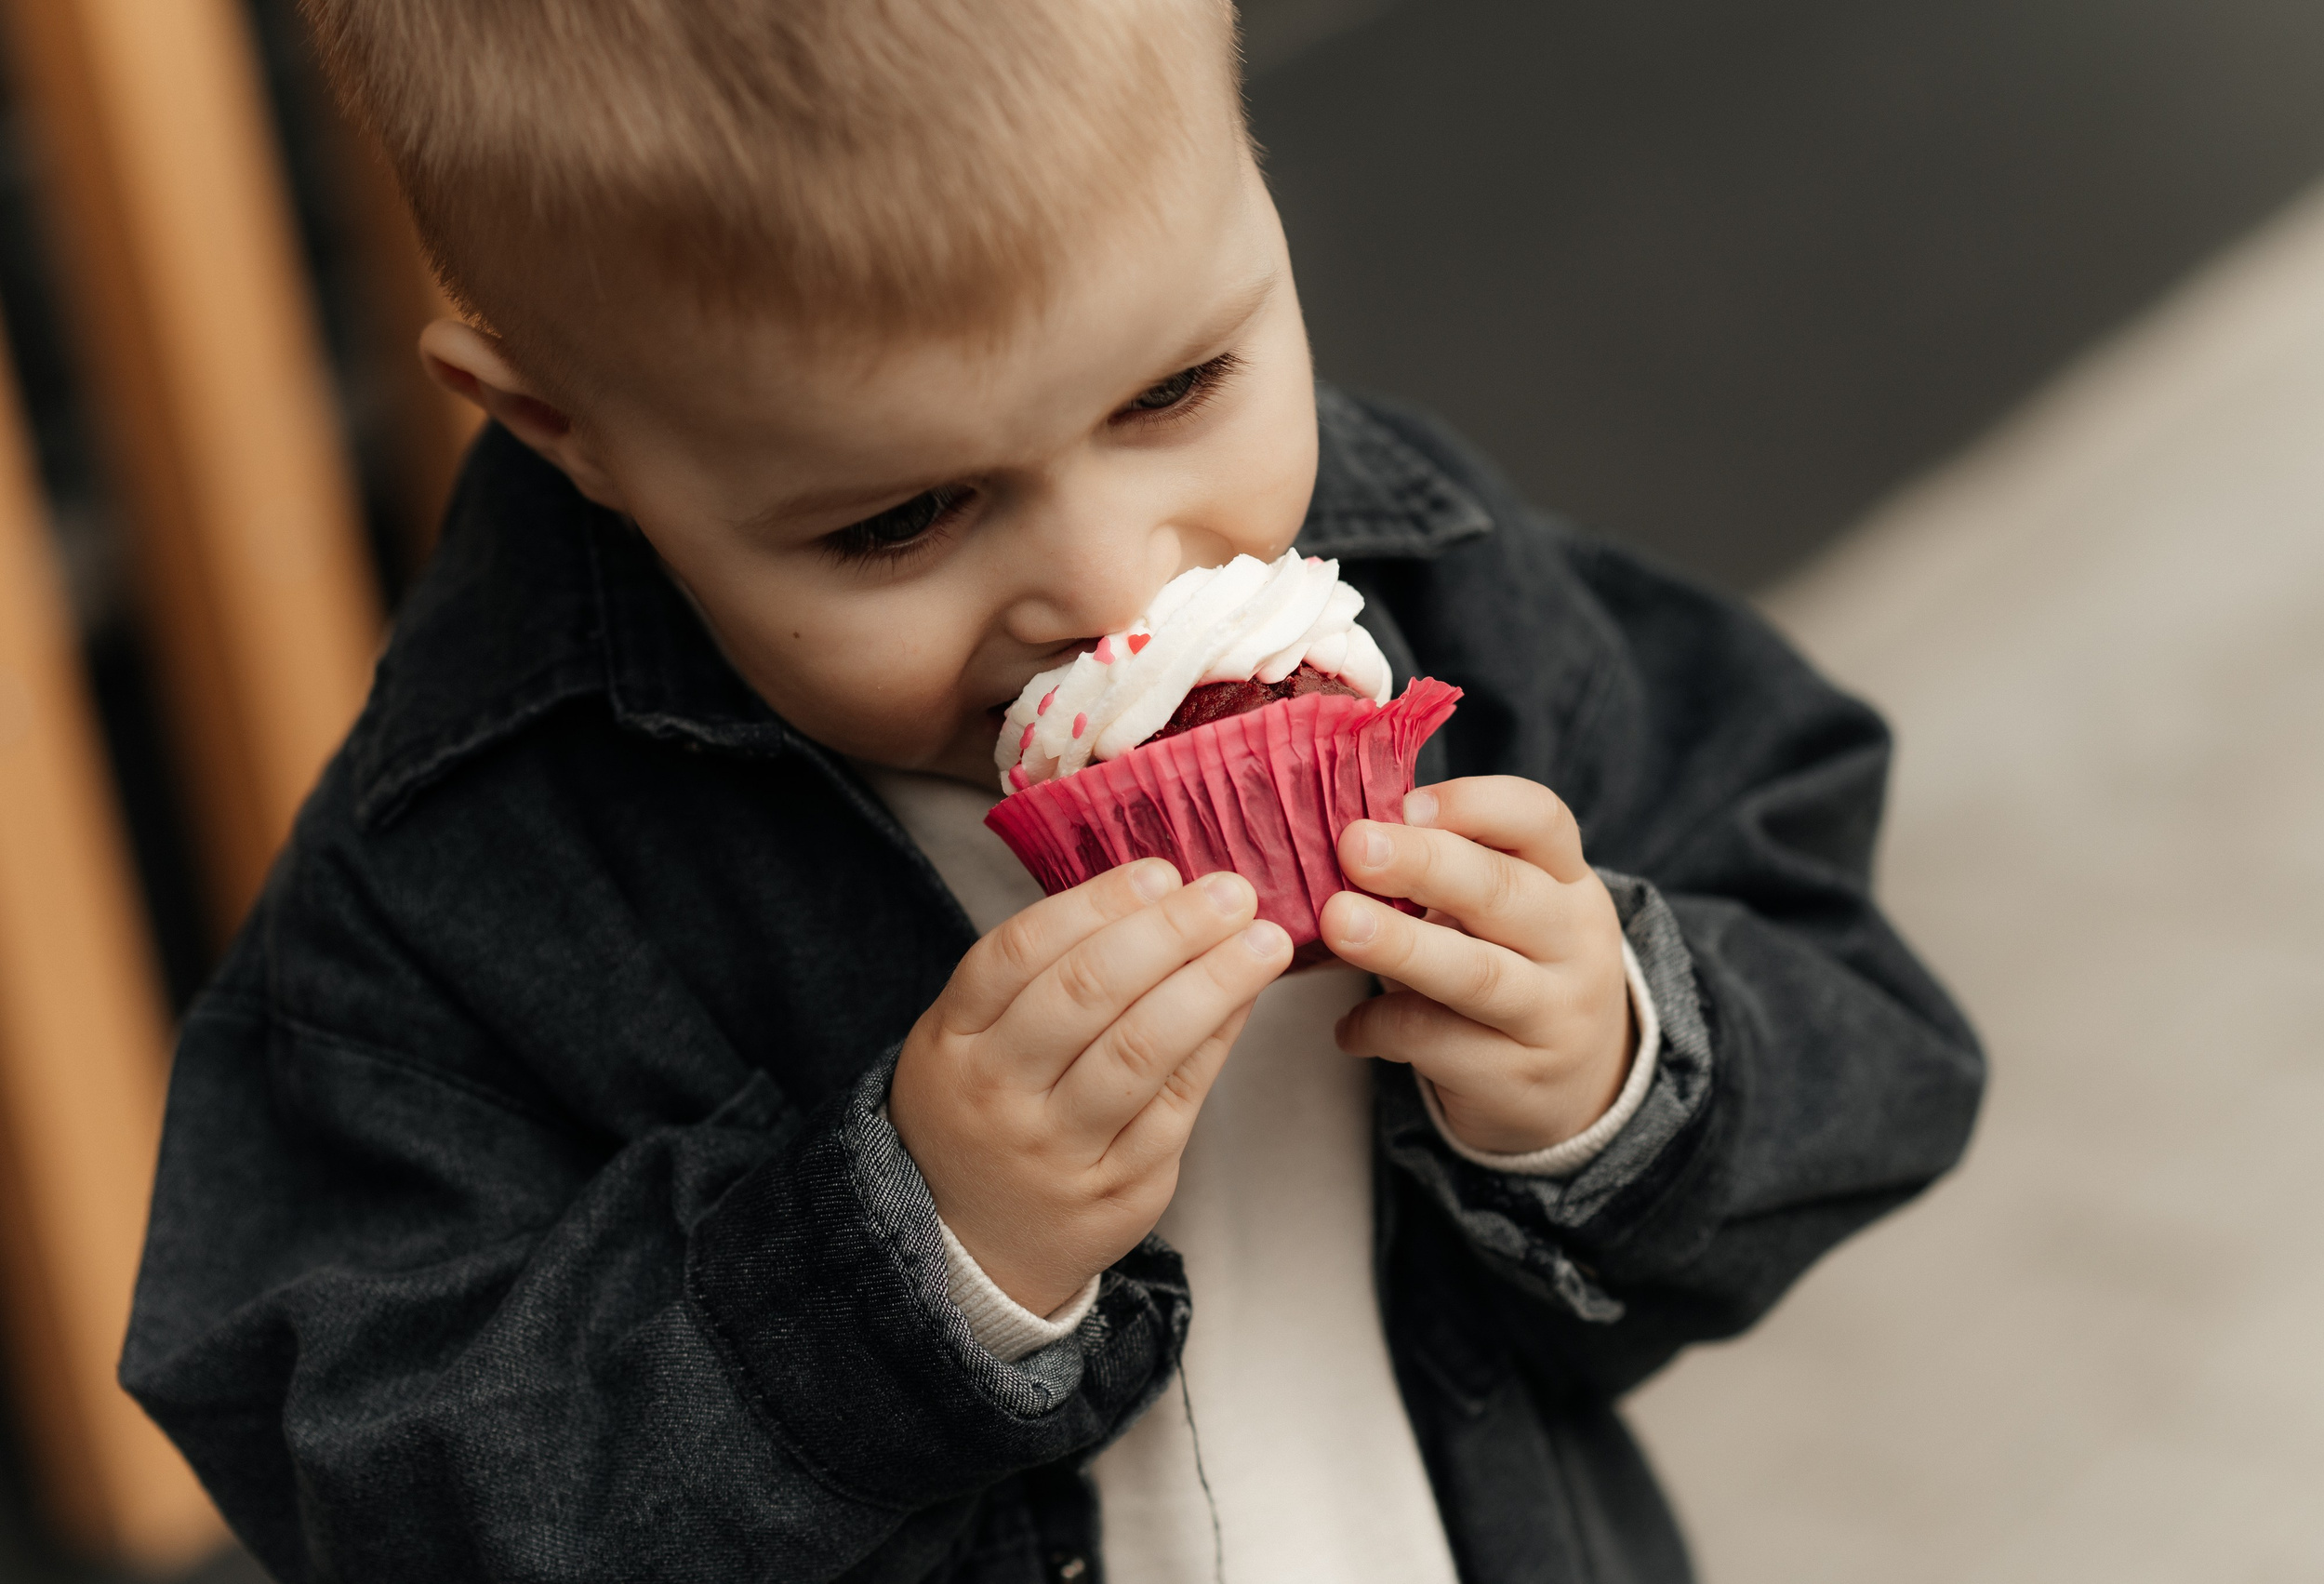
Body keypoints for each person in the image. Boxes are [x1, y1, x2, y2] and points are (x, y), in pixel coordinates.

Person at [121, 1, 1984, 1579]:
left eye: (1177, 390)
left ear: (1249, 159)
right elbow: (377, 1496)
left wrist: (1613, 1068)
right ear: (565, 429)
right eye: (901, 518)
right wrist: (900, 1268)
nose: (1114, 587)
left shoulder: (1449, 591)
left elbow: (1873, 1033)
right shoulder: (463, 887)